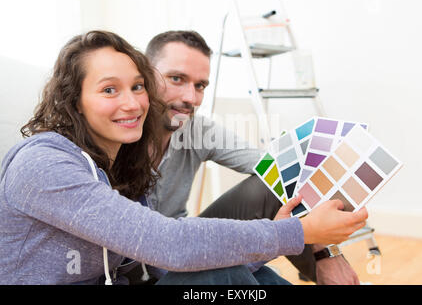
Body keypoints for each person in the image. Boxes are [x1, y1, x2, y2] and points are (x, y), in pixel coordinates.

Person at [0, 30, 368, 285]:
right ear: (73, 101)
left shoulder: (125, 156)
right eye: (109, 89)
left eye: (136, 87)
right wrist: (296, 233)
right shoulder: (45, 163)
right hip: (161, 251)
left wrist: (319, 248)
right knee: (214, 272)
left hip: (152, 262)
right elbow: (168, 243)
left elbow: (274, 167)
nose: (131, 102)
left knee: (224, 271)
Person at [134, 30, 362, 284]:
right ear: (144, 75)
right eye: (176, 79)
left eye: (200, 86)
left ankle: (328, 276)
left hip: (181, 253)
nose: (190, 98)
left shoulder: (197, 129)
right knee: (233, 270)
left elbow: (276, 167)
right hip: (136, 264)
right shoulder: (116, 131)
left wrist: (325, 249)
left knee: (272, 182)